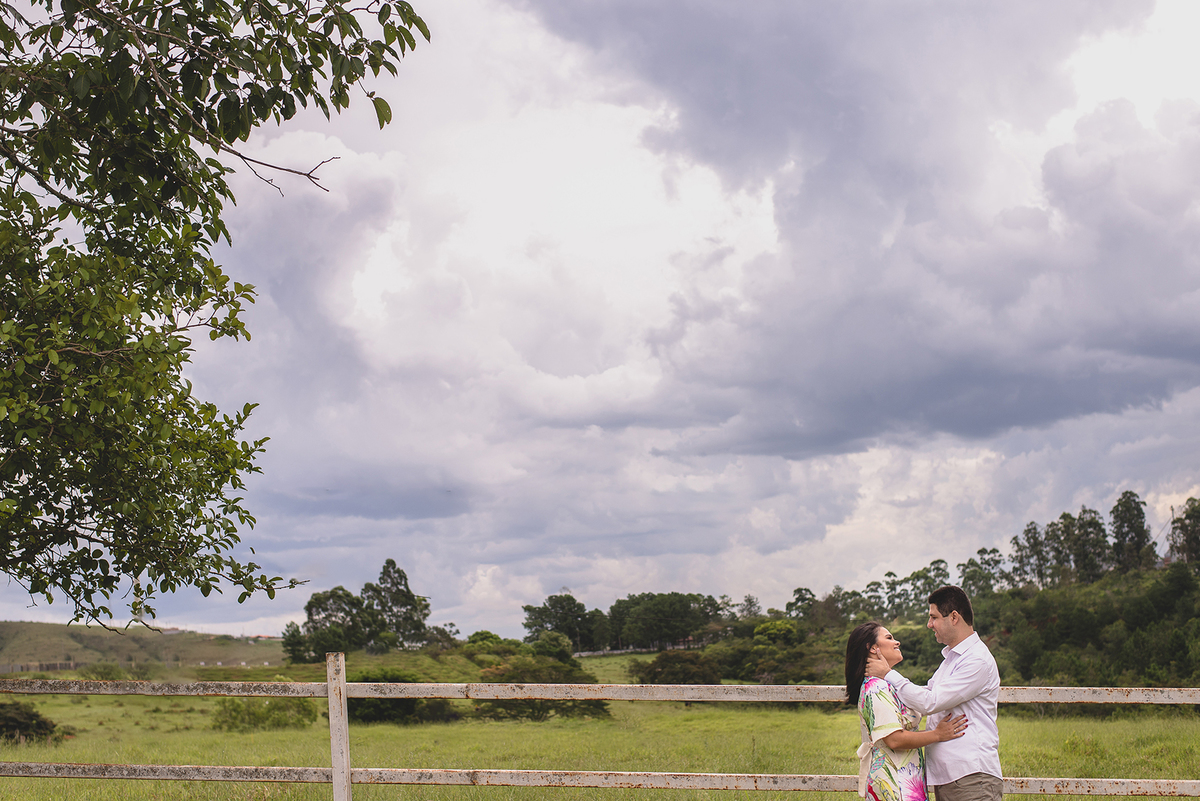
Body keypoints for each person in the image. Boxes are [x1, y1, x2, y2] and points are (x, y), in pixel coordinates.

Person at [866, 585, 1002, 801]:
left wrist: (888, 674)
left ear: (954, 617)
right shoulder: (952, 658)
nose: (929, 624)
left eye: (934, 617)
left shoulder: (976, 660)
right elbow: (927, 692)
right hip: (951, 776)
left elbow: (930, 701)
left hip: (971, 776)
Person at [846, 621, 968, 801]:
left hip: (905, 780)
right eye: (889, 638)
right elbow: (894, 739)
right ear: (872, 648)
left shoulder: (887, 685)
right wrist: (937, 734)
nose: (897, 642)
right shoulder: (876, 688)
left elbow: (926, 697)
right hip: (895, 784)